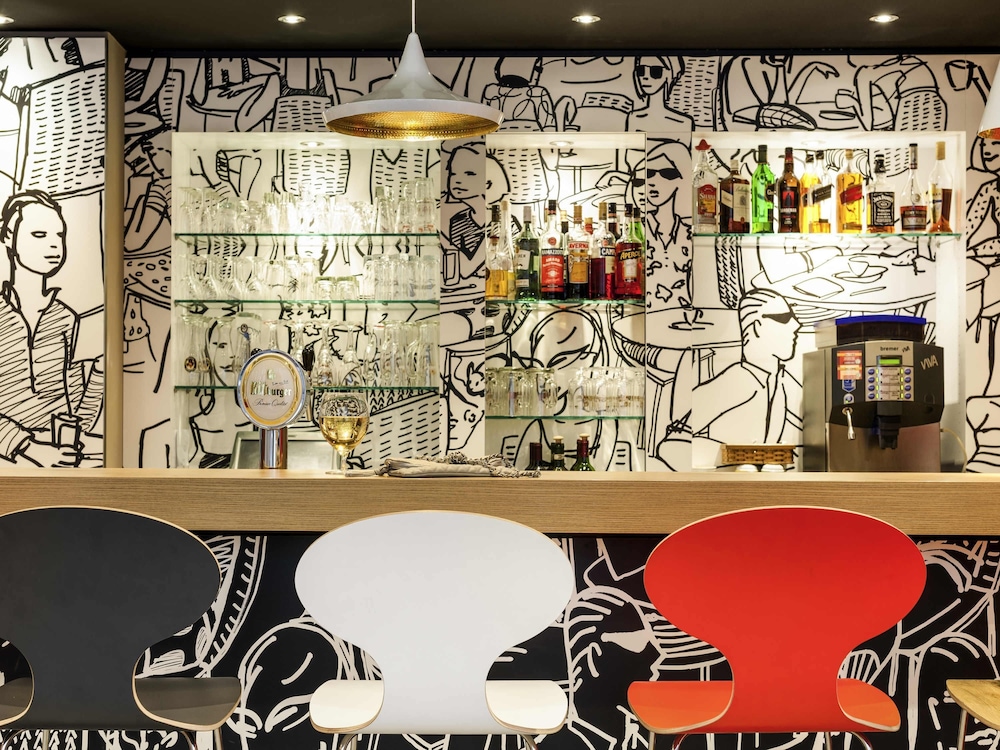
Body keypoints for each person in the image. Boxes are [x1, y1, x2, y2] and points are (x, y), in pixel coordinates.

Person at [0, 190, 85, 466]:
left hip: (59, 456)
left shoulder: (65, 317)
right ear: (9, 236)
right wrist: (29, 447)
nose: (53, 245)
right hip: (10, 458)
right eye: (39, 234)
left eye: (59, 235)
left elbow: (72, 400)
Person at [692, 289, 803, 451]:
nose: (796, 325)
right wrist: (726, 454)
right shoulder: (736, 381)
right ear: (757, 327)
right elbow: (676, 437)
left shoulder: (781, 380)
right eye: (783, 318)